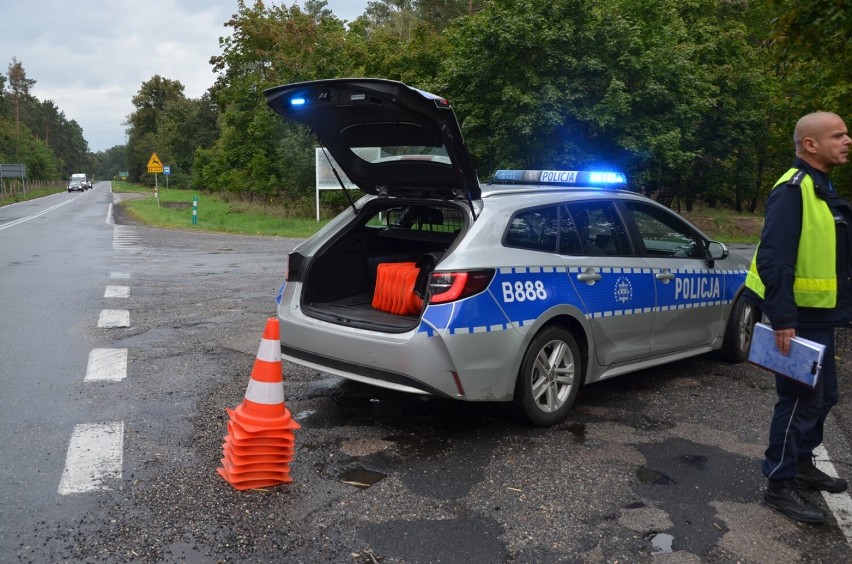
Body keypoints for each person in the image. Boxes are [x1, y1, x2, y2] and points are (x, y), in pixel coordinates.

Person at [744, 111, 852, 524]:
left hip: (821, 316)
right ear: (810, 144)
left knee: (824, 398)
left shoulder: (822, 186)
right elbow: (774, 256)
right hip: (799, 319)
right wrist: (783, 317)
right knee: (798, 401)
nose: (847, 140)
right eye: (838, 135)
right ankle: (779, 484)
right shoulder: (794, 189)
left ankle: (802, 466)